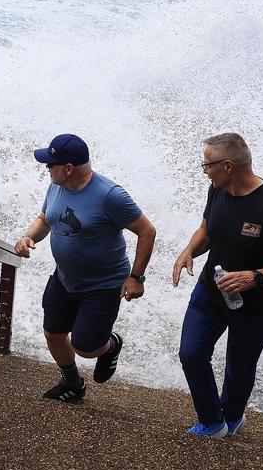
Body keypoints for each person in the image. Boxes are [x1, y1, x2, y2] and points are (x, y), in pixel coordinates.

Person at [172, 132, 263, 437]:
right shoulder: (217, 189)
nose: (204, 170)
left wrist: (253, 277)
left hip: (256, 305)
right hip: (211, 290)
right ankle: (211, 422)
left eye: (207, 165)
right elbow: (207, 229)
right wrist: (188, 251)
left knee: (238, 368)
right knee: (191, 354)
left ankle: (231, 418)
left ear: (228, 165)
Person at [14, 133, 157, 403]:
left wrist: (136, 277)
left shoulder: (109, 195)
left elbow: (147, 231)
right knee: (53, 333)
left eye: (51, 164)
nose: (47, 168)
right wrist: (28, 236)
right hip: (65, 279)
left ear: (68, 169)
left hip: (102, 286)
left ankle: (110, 345)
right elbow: (45, 217)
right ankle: (73, 383)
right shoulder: (57, 185)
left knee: (85, 347)